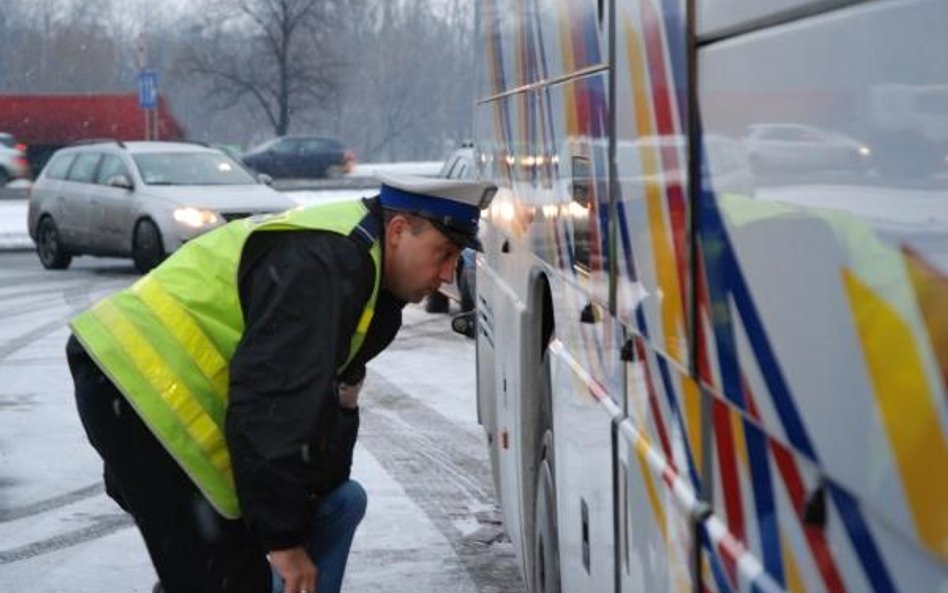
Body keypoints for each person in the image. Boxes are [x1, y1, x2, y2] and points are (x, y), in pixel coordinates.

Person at [67, 172, 497, 593]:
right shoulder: (327, 264)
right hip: (140, 387)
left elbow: (318, 414)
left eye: (455, 261)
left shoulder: (366, 276)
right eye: (442, 253)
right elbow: (273, 401)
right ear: (400, 230)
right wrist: (283, 539)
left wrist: (309, 502)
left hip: (144, 390)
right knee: (225, 578)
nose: (446, 275)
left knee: (226, 562)